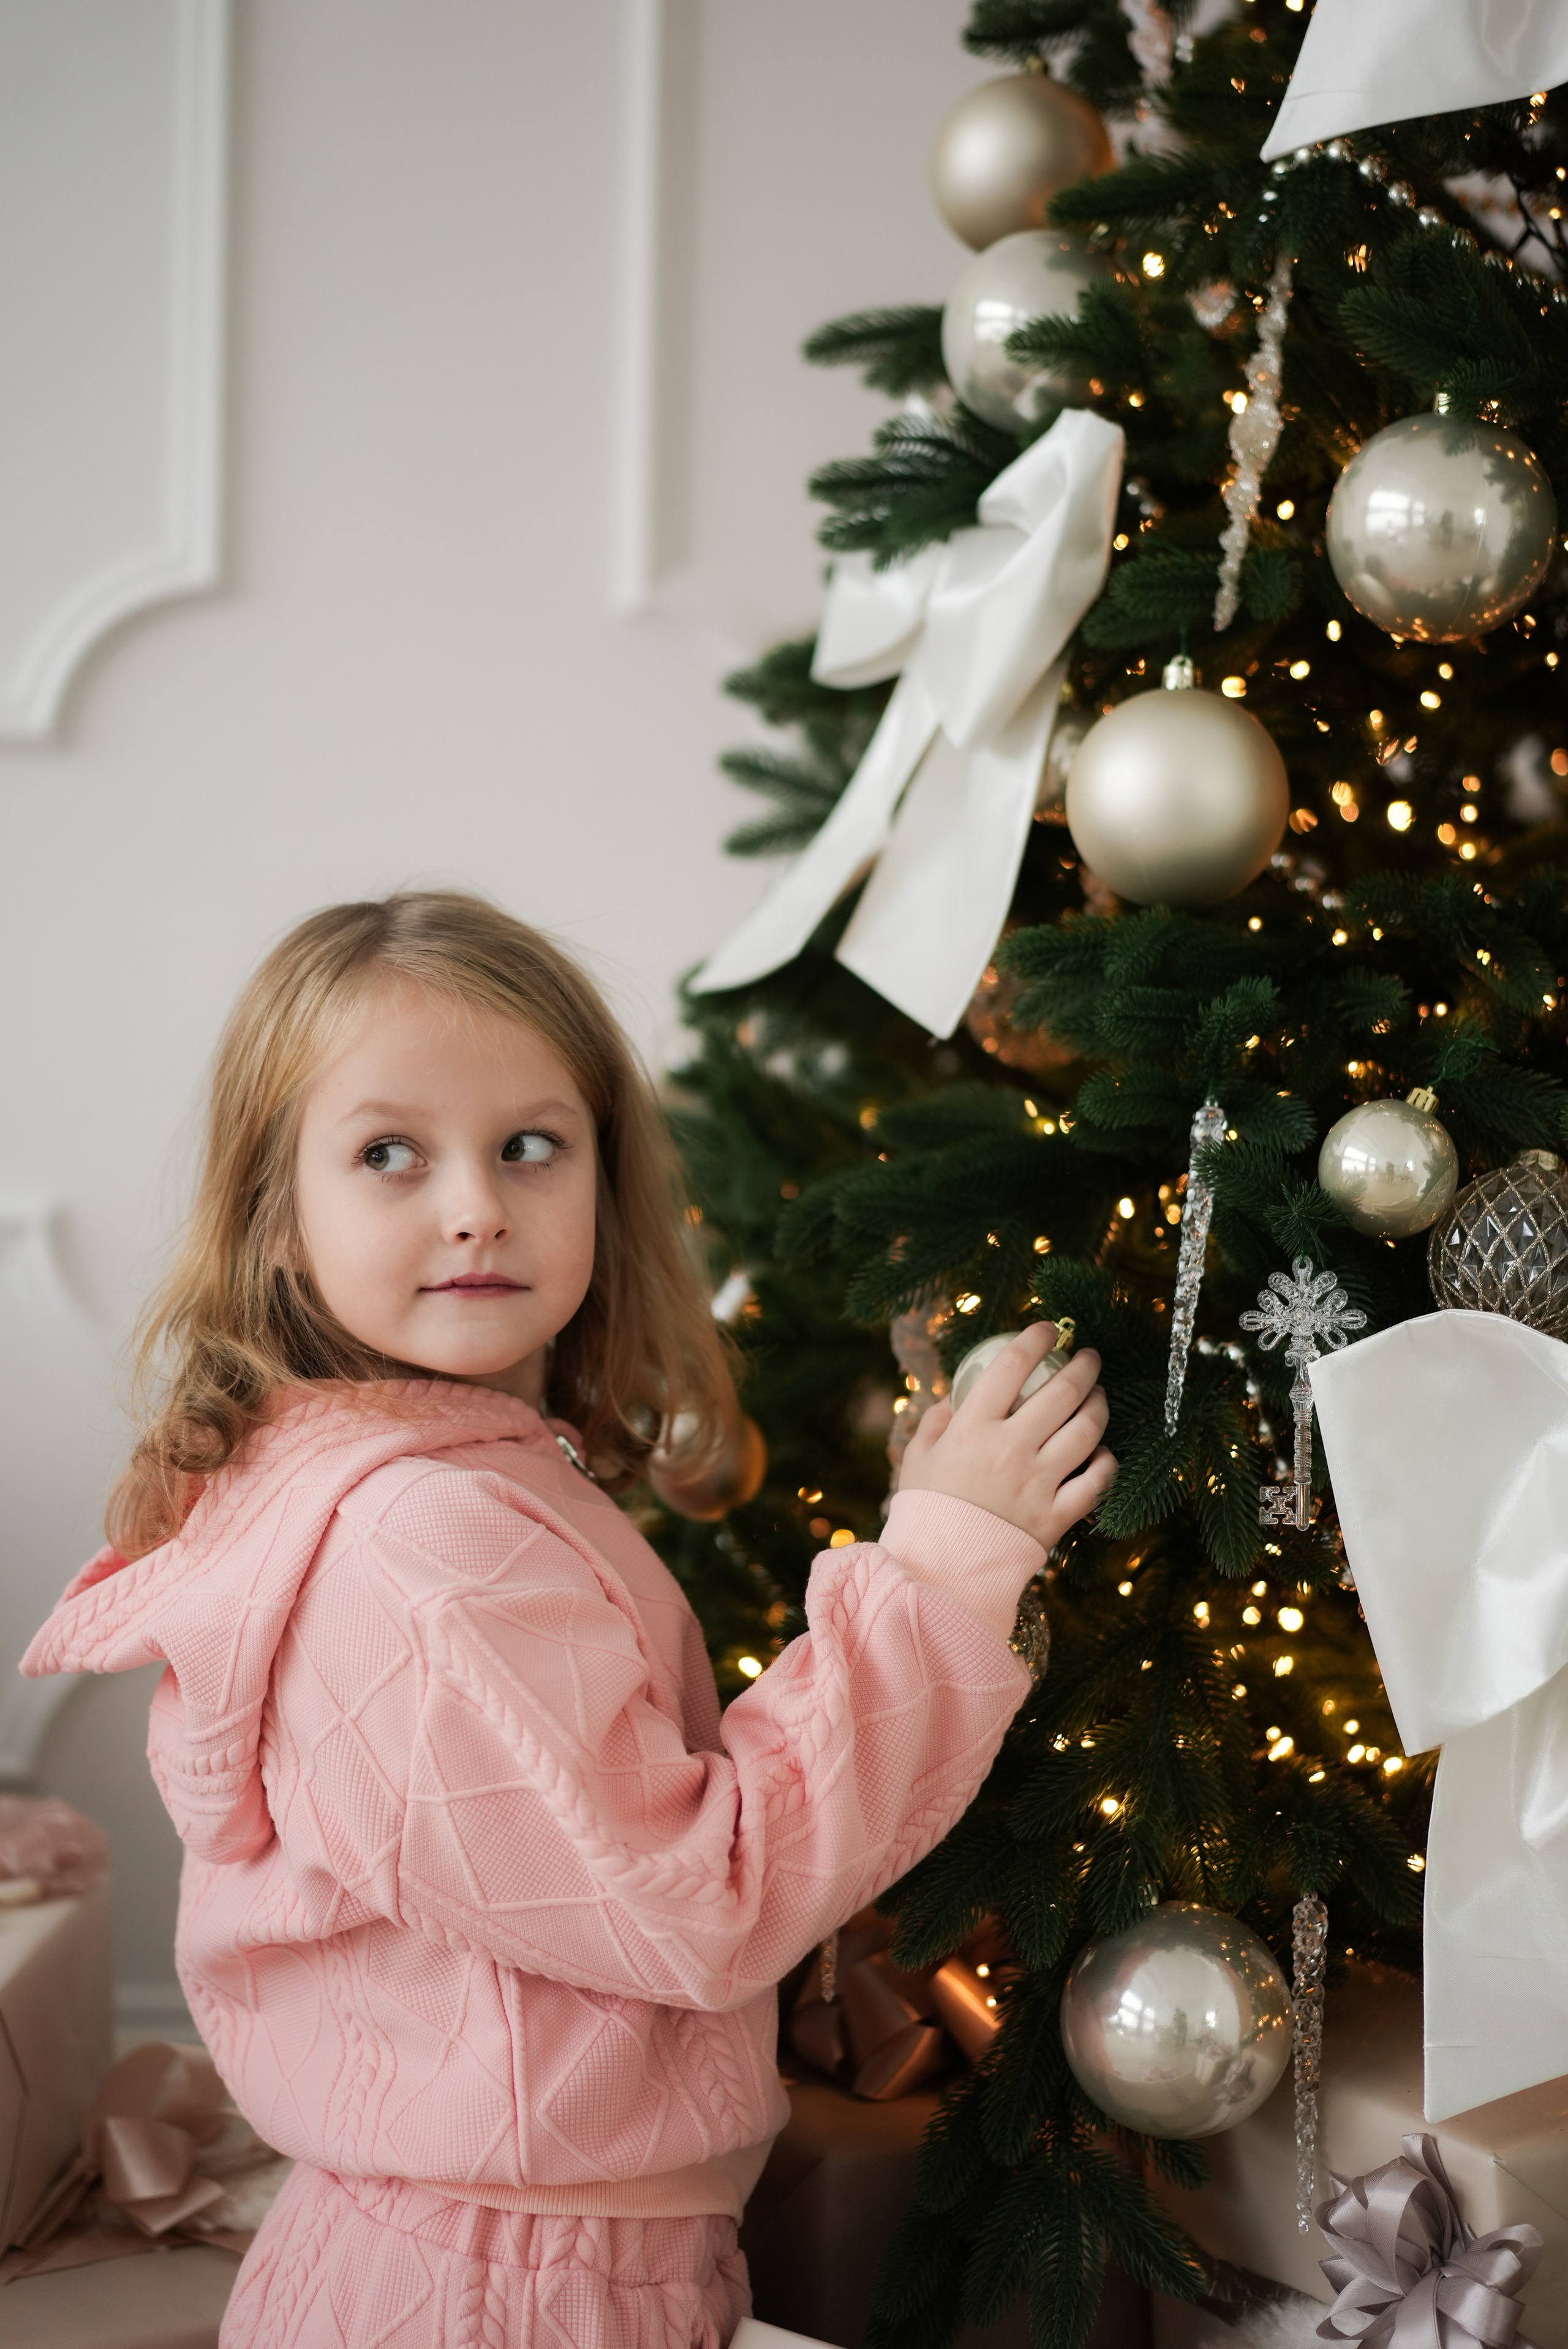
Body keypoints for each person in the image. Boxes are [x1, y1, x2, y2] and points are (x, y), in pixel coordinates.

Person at [23, 891, 1115, 2349]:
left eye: (528, 1145)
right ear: (276, 1217)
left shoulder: (454, 1479)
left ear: (601, 1174)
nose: (475, 1204)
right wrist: (946, 1561)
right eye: (388, 1153)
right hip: (508, 2296)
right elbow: (694, 1896)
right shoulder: (423, 1549)